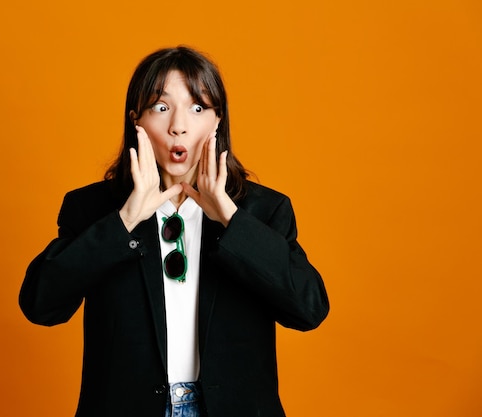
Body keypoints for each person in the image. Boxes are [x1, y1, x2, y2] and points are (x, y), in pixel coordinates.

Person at [19, 46, 329, 417]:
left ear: (217, 122)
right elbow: (40, 305)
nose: (178, 125)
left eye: (198, 108)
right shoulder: (94, 209)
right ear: (137, 121)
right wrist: (125, 220)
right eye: (161, 107)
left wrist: (231, 219)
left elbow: (310, 309)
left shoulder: (263, 211)